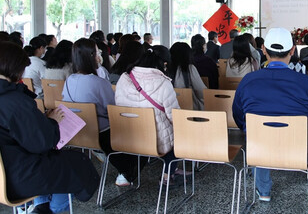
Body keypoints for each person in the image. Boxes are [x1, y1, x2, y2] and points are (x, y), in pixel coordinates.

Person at [0, 42, 99, 213]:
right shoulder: (13, 101)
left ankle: (40, 204)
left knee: (55, 163)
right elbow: (43, 143)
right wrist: (51, 122)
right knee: (79, 164)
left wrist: (38, 121)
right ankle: (50, 210)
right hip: (15, 178)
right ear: (16, 69)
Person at [232, 28, 308, 206]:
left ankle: (263, 191)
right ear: (292, 51)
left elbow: (239, 117)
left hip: (261, 148)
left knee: (257, 135)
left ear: (263, 50)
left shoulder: (248, 81)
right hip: (299, 151)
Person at [62, 38, 138, 187]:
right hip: (102, 133)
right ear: (91, 56)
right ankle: (127, 172)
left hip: (78, 132)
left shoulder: (69, 80)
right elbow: (112, 109)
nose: (100, 55)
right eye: (98, 52)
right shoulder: (98, 82)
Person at [115, 45, 187, 184]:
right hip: (154, 140)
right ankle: (168, 175)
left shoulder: (124, 77)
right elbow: (175, 117)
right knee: (178, 132)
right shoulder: (163, 82)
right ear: (164, 63)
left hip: (126, 135)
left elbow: (118, 103)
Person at [169, 42, 206, 110]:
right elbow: (201, 91)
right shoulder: (189, 68)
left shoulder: (166, 70)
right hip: (189, 110)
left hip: (172, 110)